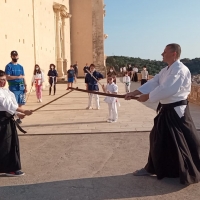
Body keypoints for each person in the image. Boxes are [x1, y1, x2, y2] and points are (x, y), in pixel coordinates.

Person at [125, 43, 200, 185]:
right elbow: (154, 82)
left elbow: (168, 88)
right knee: (158, 138)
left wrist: (147, 96)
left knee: (187, 141)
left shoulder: (179, 69)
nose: (162, 54)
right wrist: (135, 92)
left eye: (165, 52)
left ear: (174, 54)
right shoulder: (166, 70)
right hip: (167, 109)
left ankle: (193, 166)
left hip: (177, 112)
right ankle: (154, 168)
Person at [0, 70, 32, 177]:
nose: (3, 82)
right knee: (5, 145)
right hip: (1, 122)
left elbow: (12, 106)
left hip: (8, 121)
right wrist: (23, 111)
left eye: (4, 80)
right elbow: (6, 105)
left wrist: (18, 114)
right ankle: (9, 169)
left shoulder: (8, 92)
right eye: (0, 80)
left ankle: (12, 167)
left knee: (11, 144)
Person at [5, 51, 28, 124]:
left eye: (16, 55)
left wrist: (26, 85)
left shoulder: (20, 66)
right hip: (13, 87)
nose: (15, 57)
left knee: (20, 102)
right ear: (11, 56)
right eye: (13, 56)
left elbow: (23, 76)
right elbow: (8, 77)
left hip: (21, 87)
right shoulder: (8, 66)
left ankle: (19, 117)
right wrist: (17, 77)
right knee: (14, 103)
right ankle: (15, 116)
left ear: (18, 56)